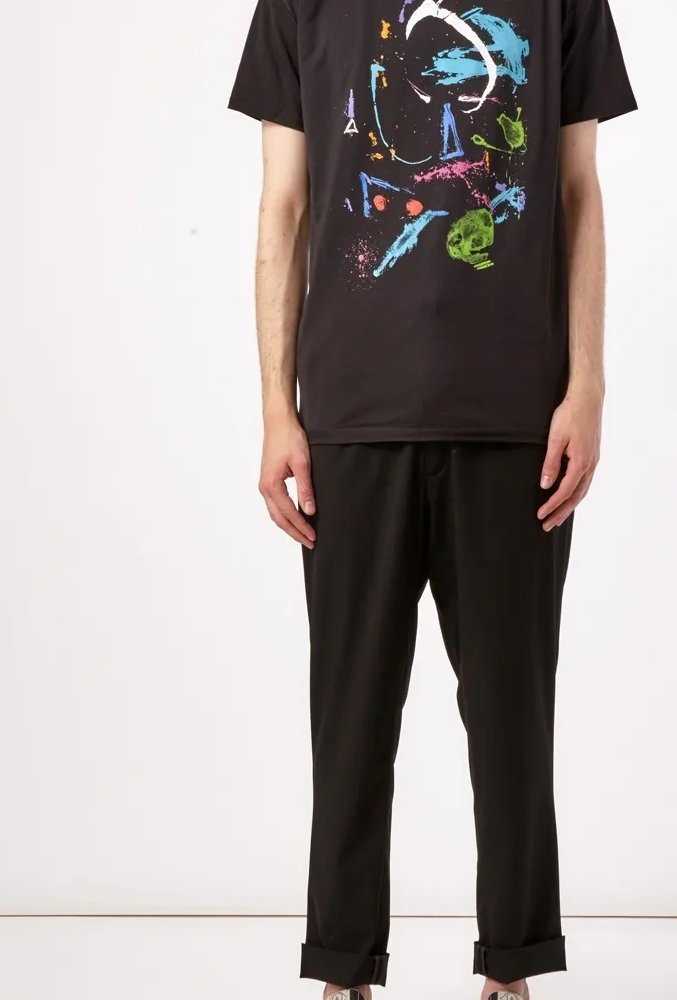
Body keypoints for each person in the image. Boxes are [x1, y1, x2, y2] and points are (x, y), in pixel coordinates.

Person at [229, 1, 635, 998]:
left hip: (516, 415)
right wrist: (277, 408)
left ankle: (513, 968)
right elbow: (283, 205)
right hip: (350, 413)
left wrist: (587, 382)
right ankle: (343, 969)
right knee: (351, 714)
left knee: (512, 716)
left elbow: (578, 192)